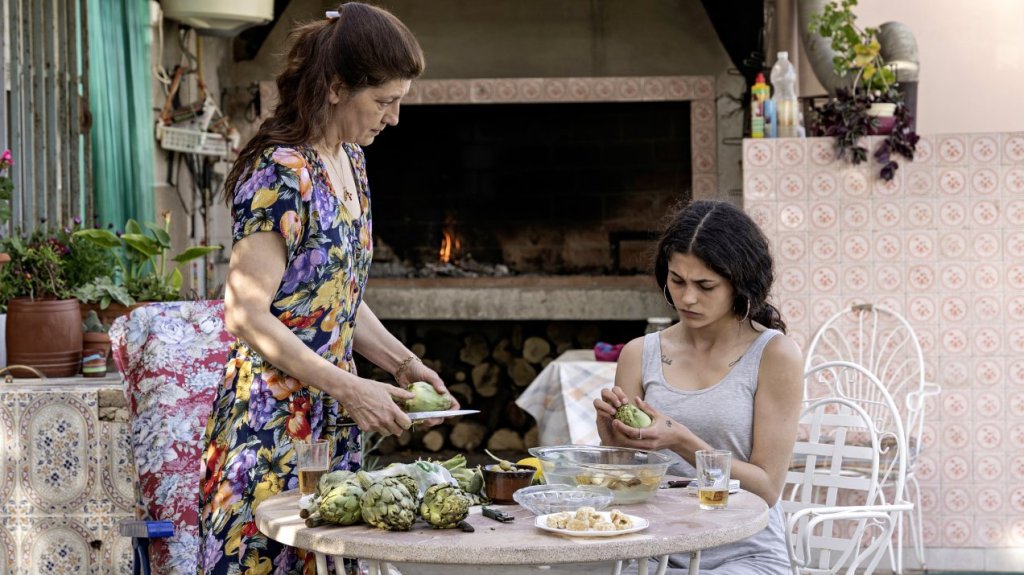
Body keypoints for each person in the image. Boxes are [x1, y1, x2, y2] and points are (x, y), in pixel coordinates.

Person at [198, 4, 456, 574]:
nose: (393, 119)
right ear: (337, 88)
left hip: (331, 419)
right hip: (268, 426)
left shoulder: (352, 162)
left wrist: (401, 363)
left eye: (399, 102)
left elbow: (334, 294)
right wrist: (350, 388)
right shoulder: (280, 172)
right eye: (384, 101)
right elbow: (244, 313)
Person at [594, 200, 803, 575]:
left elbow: (768, 488)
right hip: (653, 552)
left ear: (739, 284)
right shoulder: (639, 354)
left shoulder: (774, 355)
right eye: (677, 281)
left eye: (705, 285)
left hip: (744, 554)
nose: (687, 298)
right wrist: (612, 439)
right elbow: (625, 479)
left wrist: (681, 440)